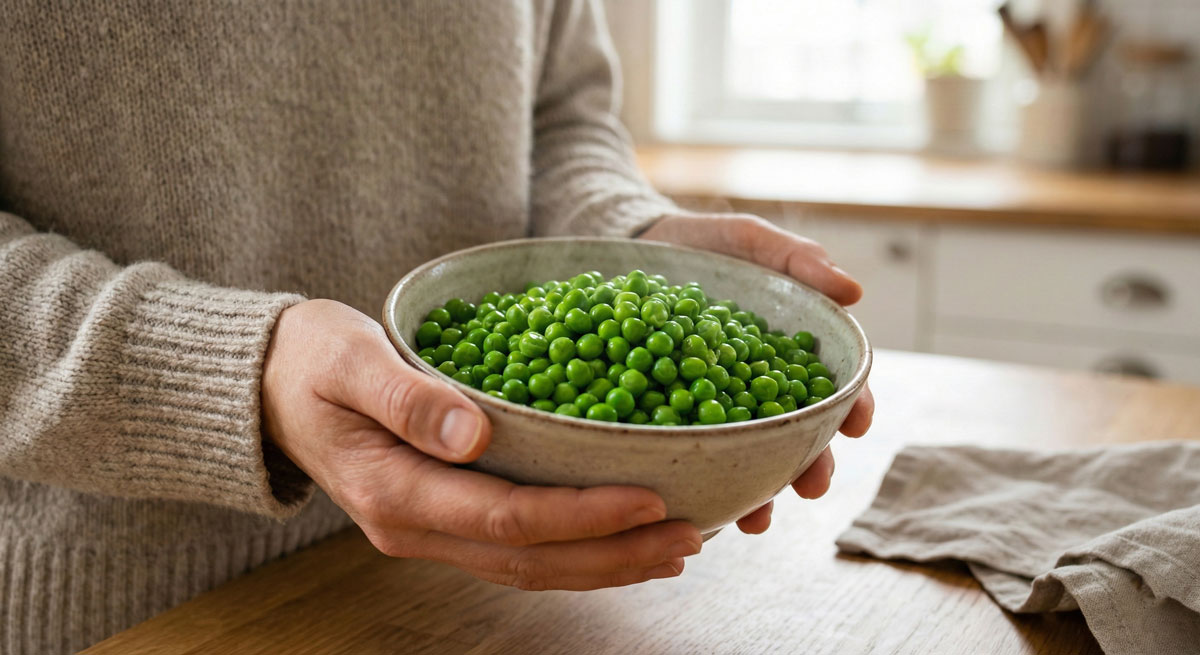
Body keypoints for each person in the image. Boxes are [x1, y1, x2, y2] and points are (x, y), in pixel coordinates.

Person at [0, 1, 873, 652]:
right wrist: (239, 371)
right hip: (148, 610)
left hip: (522, 594)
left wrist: (624, 238)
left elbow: (561, 111)